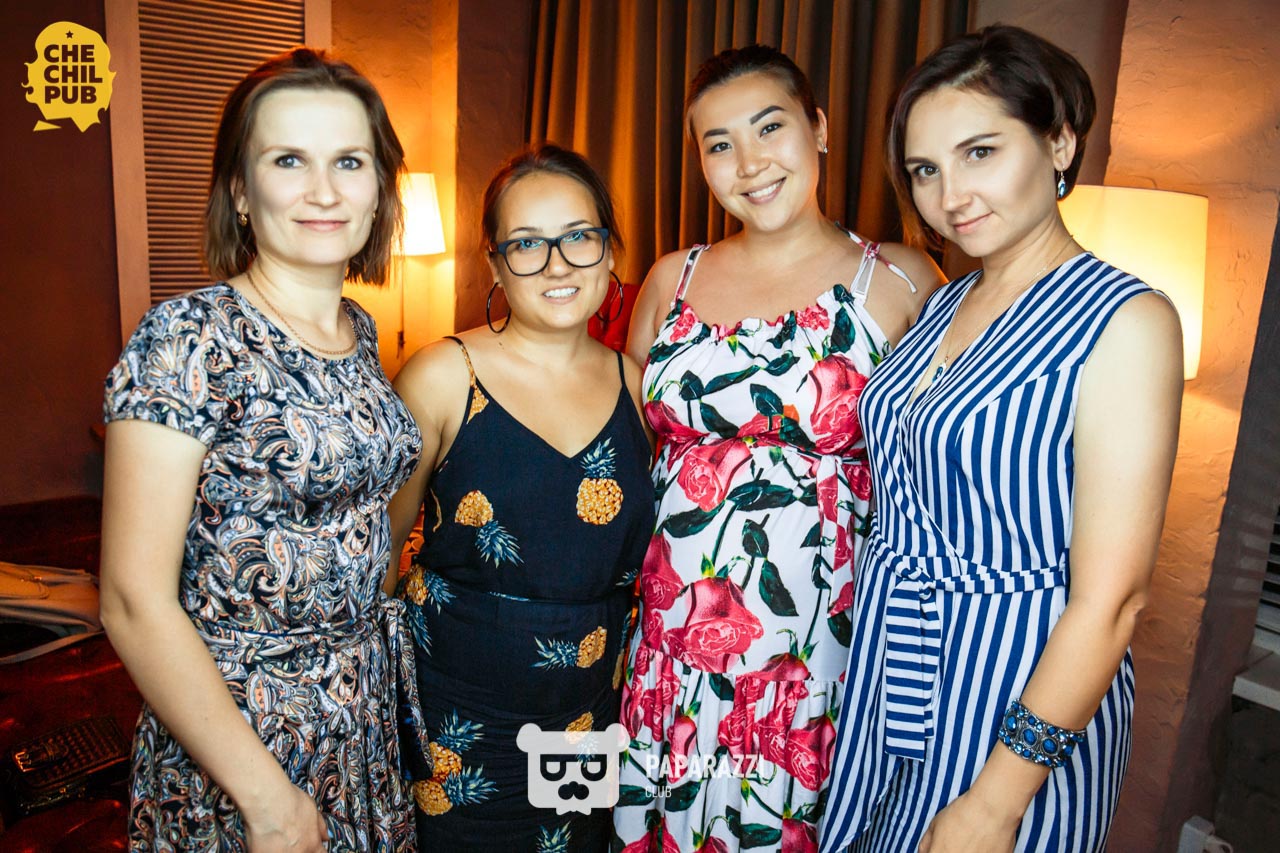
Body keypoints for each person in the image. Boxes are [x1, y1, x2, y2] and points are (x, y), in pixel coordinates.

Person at [819, 25, 1183, 853]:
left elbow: (1113, 601)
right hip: (894, 664)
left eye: (980, 152)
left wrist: (996, 801)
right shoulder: (946, 300)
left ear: (1059, 143)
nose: (951, 195)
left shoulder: (1127, 322)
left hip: (1016, 688)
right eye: (926, 170)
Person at [613, 44, 943, 851]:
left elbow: (950, 472)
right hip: (673, 649)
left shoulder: (901, 282)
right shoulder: (671, 279)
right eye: (719, 143)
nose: (749, 163)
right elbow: (616, 451)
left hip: (817, 658)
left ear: (819, 127)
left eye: (770, 128)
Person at [99, 48, 427, 851]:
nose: (324, 191)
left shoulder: (357, 332)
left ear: (379, 188)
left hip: (358, 726)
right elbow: (133, 599)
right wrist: (266, 797)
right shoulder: (188, 337)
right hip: (240, 741)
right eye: (289, 160)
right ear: (241, 192)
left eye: (349, 161)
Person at [387, 144, 655, 851]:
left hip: (585, 716)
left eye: (579, 236)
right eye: (528, 244)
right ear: (496, 264)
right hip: (455, 721)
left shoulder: (638, 386)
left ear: (609, 250)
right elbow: (376, 560)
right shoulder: (442, 375)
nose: (558, 264)